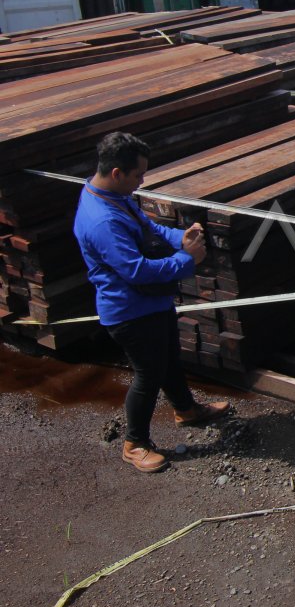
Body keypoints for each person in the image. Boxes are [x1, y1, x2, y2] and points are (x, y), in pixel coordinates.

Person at [73, 132, 230, 474]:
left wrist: (180, 237)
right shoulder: (102, 220)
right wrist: (186, 261)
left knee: (170, 358)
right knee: (148, 375)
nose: (142, 181)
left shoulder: (116, 196)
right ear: (117, 172)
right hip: (129, 311)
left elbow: (149, 229)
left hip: (152, 303)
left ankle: (186, 410)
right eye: (138, 175)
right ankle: (135, 444)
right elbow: (136, 271)